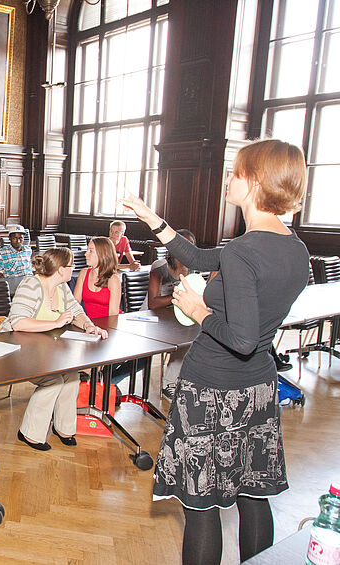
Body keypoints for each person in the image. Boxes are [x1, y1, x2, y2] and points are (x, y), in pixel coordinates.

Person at [121, 139, 310, 565]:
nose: (229, 180)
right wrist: (151, 218)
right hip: (258, 389)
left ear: (256, 181)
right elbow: (201, 255)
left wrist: (198, 310)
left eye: (237, 173)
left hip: (212, 391)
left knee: (201, 507)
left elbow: (239, 337)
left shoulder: (245, 251)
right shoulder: (292, 248)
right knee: (252, 497)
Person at [0, 248, 107, 451]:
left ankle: (64, 428)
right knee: (53, 381)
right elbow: (18, 323)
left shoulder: (62, 287)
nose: (74, 269)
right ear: (60, 270)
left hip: (45, 349)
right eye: (71, 266)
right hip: (16, 350)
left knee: (72, 376)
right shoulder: (31, 285)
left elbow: (76, 311)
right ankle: (29, 433)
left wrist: (88, 325)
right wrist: (56, 323)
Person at [143, 229, 197, 400]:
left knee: (197, 333)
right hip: (153, 317)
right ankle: (169, 384)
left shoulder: (193, 268)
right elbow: (153, 302)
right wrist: (178, 295)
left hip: (177, 315)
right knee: (184, 337)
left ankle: (185, 380)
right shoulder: (160, 267)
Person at [73, 237, 121, 318]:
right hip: (90, 325)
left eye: (91, 251)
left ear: (102, 254)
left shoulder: (113, 280)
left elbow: (113, 315)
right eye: (87, 250)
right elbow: (75, 304)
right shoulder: (84, 274)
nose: (85, 254)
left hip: (109, 325)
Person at [0, 224, 33, 294]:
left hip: (28, 283)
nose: (18, 241)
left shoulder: (28, 250)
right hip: (13, 286)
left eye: (20, 238)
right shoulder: (1, 253)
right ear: (9, 238)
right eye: (15, 238)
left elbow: (29, 267)